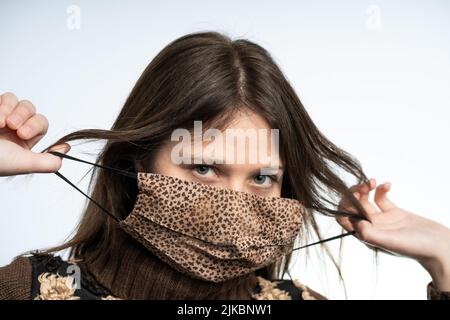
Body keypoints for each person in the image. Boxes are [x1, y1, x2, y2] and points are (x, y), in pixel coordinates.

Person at [0, 31, 449, 300]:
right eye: (203, 168)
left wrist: (445, 260)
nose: (232, 206)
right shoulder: (23, 290)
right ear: (137, 161)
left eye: (262, 177)